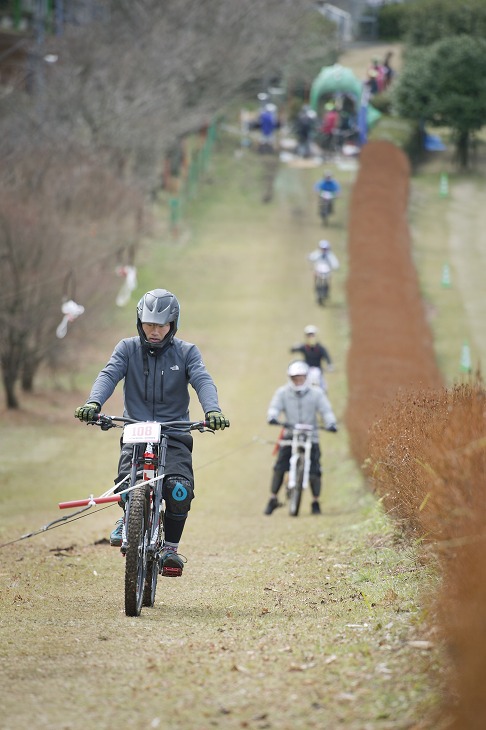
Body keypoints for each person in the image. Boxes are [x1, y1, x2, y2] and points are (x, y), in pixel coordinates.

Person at [74, 288, 229, 577]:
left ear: (172, 325)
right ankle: (127, 518)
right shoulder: (126, 348)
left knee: (179, 490)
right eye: (148, 324)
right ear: (139, 323)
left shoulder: (187, 352)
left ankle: (170, 548)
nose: (154, 331)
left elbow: (202, 380)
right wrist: (93, 402)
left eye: (160, 325)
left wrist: (212, 410)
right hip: (136, 431)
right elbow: (108, 374)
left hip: (174, 432)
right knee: (125, 486)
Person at [264, 361, 338, 516]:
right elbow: (275, 407)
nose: (298, 381)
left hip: (311, 436)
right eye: (295, 378)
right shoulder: (282, 392)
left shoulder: (317, 393)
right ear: (290, 378)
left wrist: (331, 423)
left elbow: (326, 410)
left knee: (315, 471)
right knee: (279, 467)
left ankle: (315, 501)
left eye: (301, 378)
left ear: (306, 378)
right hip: (290, 434)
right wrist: (272, 416)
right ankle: (273, 498)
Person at [290, 325, 333, 391]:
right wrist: (294, 348)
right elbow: (293, 350)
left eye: (312, 335)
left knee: (324, 387)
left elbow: (327, 357)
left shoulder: (320, 348)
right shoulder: (305, 347)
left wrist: (329, 365)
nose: (311, 337)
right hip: (308, 371)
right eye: (309, 335)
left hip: (318, 371)